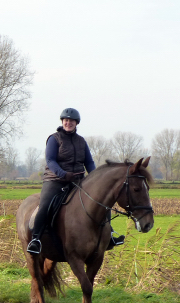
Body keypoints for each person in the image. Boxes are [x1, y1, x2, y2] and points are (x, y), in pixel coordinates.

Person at [26, 108, 124, 254]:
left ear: (76, 123)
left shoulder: (81, 141)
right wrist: (63, 174)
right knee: (45, 205)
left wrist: (95, 177)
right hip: (55, 180)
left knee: (102, 201)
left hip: (78, 180)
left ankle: (109, 234)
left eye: (71, 121)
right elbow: (50, 160)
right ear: (62, 122)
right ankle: (36, 239)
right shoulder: (54, 139)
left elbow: (89, 162)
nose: (68, 123)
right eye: (66, 120)